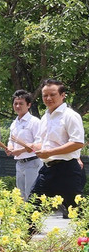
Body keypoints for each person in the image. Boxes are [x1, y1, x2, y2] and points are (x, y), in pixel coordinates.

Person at [30, 79, 86, 216]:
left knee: (78, 211)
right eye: (45, 95)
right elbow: (43, 142)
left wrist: (49, 152)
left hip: (67, 170)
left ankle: (85, 237)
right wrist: (34, 147)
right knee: (31, 207)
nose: (48, 98)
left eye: (52, 94)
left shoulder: (70, 116)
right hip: (47, 170)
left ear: (62, 95)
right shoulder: (45, 117)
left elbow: (78, 143)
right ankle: (23, 236)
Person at [4, 89, 43, 200]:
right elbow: (11, 140)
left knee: (31, 194)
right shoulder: (14, 123)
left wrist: (20, 151)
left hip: (32, 162)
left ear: (29, 105)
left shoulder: (34, 122)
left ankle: (32, 217)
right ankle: (23, 217)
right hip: (19, 163)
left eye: (21, 103)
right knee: (20, 195)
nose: (17, 106)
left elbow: (39, 143)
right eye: (15, 103)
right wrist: (10, 148)